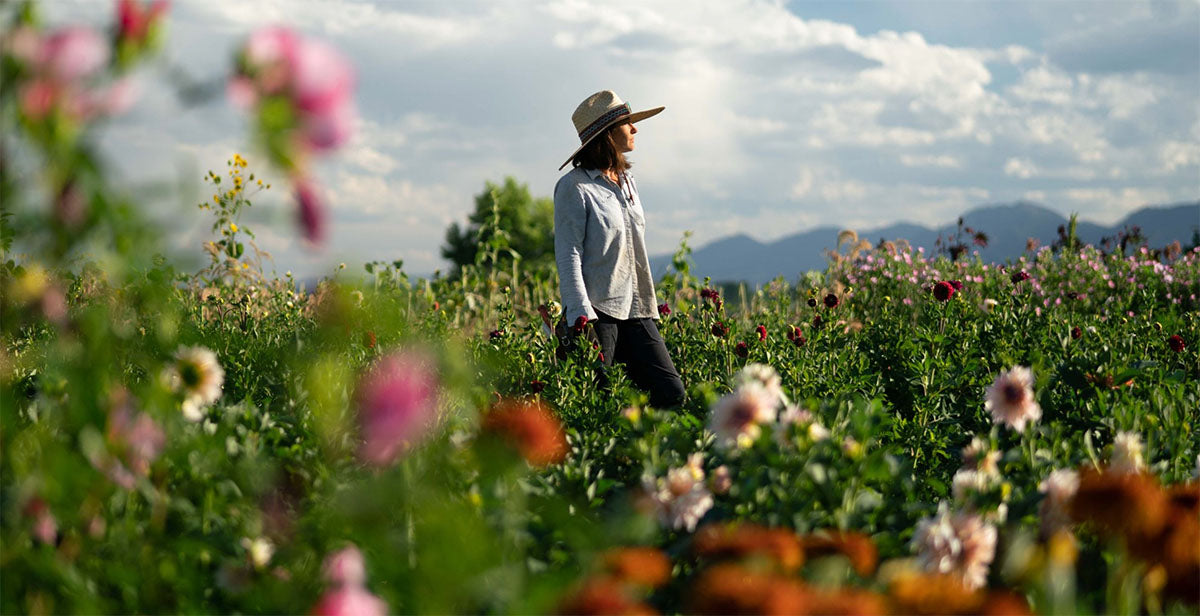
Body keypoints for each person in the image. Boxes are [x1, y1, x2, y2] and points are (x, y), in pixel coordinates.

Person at [553, 90, 685, 409]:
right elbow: (568, 253)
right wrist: (580, 316)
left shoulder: (627, 182)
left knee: (670, 392)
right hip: (598, 312)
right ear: (608, 134)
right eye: (628, 123)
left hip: (636, 308)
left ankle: (640, 456)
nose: (635, 129)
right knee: (599, 404)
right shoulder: (575, 188)